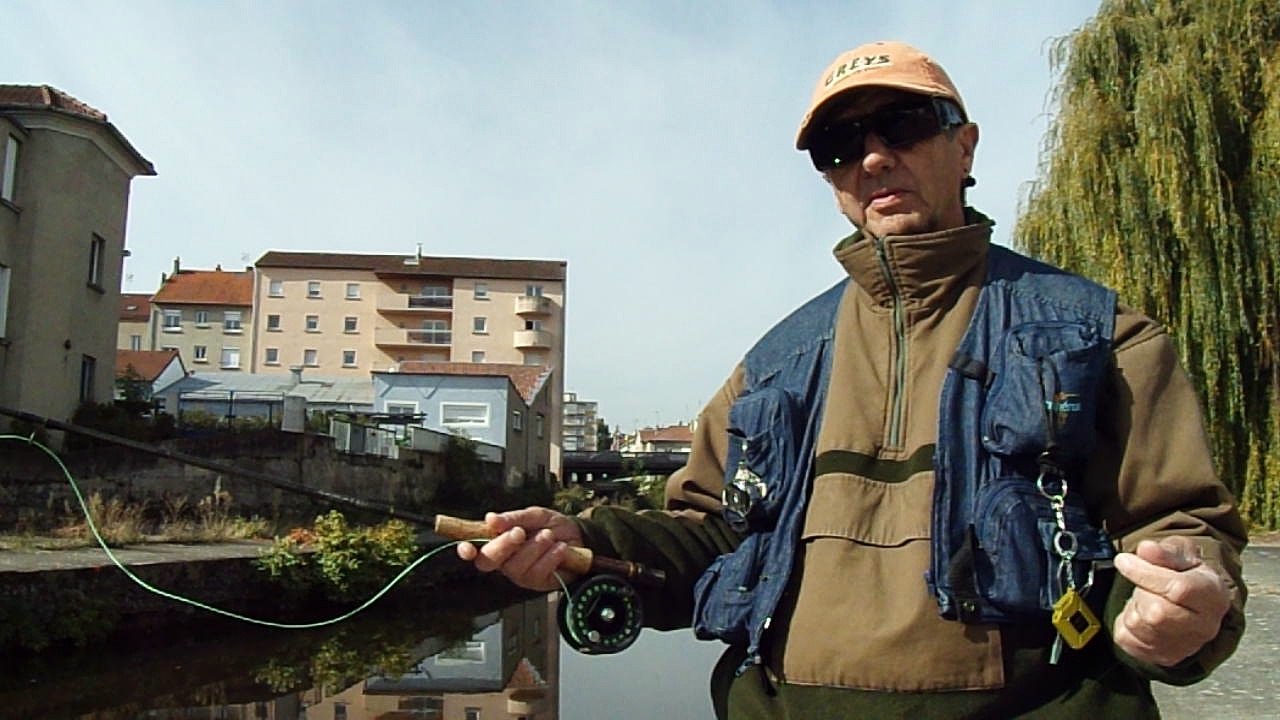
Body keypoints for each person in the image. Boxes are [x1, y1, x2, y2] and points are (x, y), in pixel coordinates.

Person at [458, 40, 1247, 718]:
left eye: (903, 124)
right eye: (839, 144)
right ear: (830, 180)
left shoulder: (1100, 333)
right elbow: (710, 536)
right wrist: (585, 543)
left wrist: (1183, 606)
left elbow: (1181, 531)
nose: (872, 158)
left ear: (965, 147)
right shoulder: (773, 364)